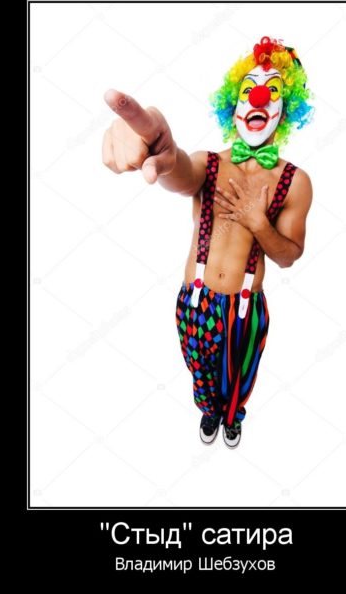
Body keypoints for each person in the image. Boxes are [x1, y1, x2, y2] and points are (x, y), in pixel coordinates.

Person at [102, 36, 313, 449]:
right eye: (249, 90)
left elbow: (289, 256)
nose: (258, 97)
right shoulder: (208, 163)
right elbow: (179, 171)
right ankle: (210, 410)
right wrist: (162, 151)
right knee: (201, 374)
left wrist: (259, 224)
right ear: (234, 105)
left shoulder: (295, 182)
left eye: (272, 91)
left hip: (245, 308)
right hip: (195, 300)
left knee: (239, 376)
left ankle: (232, 417)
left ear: (286, 110)